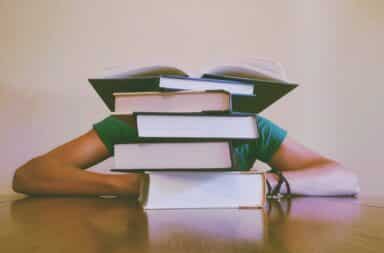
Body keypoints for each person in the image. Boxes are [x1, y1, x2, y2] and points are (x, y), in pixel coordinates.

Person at [11, 65, 360, 197]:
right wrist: (133, 186)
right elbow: (29, 176)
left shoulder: (250, 128)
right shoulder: (130, 123)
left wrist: (265, 184)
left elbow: (344, 178)